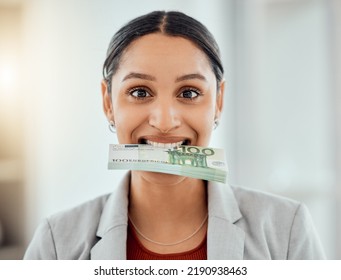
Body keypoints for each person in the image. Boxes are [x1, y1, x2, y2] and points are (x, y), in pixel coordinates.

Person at [24, 10, 325, 260]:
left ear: (218, 102)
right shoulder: (56, 243)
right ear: (108, 102)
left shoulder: (287, 229)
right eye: (140, 92)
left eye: (189, 92)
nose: (165, 121)